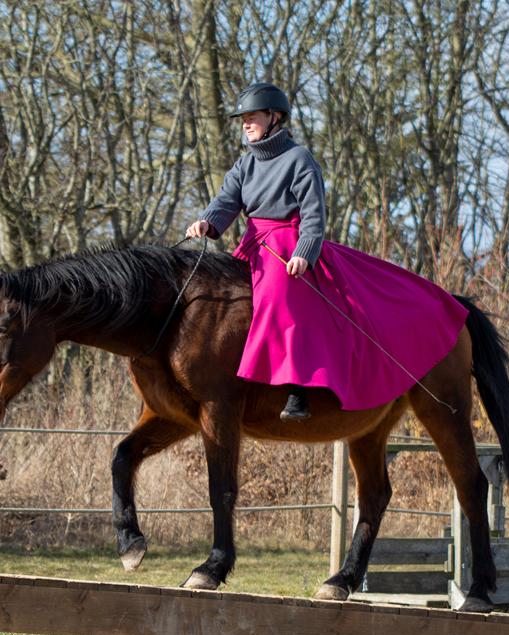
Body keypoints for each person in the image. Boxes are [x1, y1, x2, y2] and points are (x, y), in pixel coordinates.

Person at [187, 82, 470, 422]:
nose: (246, 123)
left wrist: (305, 252)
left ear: (274, 118)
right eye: (243, 118)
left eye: (252, 117)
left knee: (280, 294)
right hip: (254, 245)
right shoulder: (244, 165)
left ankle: (298, 389)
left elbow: (314, 213)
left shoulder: (298, 159)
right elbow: (225, 201)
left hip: (289, 245)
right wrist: (207, 222)